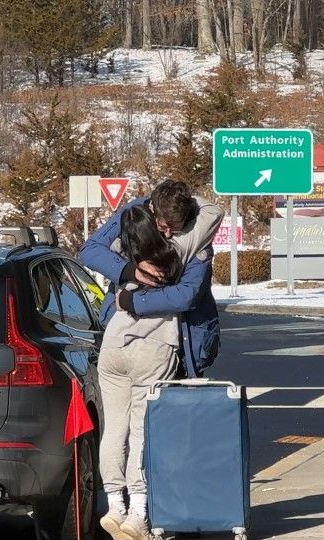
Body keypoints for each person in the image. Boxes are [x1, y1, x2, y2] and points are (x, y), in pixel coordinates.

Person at [79, 181, 223, 540]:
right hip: (155, 346)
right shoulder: (193, 246)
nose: (167, 232)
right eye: (163, 225)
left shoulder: (130, 230)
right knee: (146, 432)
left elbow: (90, 250)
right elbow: (187, 296)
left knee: (114, 427)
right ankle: (139, 513)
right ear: (154, 213)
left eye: (173, 227)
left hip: (115, 340)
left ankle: (114, 504)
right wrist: (137, 288)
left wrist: (127, 287)